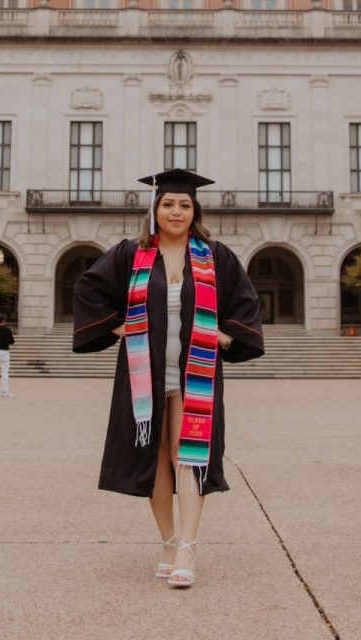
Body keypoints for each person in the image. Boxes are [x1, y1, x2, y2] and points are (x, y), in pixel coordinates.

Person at [73, 169, 263, 589]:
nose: (176, 211)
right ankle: (168, 541)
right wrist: (120, 327)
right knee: (155, 457)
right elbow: (88, 288)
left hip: (195, 374)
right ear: (154, 209)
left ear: (195, 211)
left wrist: (226, 337)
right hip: (146, 373)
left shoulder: (215, 256)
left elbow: (246, 301)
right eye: (168, 204)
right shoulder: (130, 254)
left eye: (184, 204)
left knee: (188, 455)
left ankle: (189, 548)